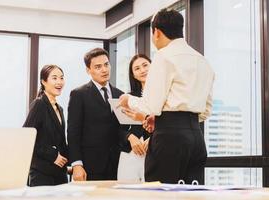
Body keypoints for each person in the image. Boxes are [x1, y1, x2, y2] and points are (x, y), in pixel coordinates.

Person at [119, 9, 215, 184]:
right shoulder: (203, 60)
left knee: (160, 191)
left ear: (156, 32)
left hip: (169, 139)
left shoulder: (164, 56)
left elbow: (151, 105)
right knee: (191, 194)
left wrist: (128, 100)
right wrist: (171, 119)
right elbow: (206, 111)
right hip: (196, 138)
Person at [67, 48, 126, 181]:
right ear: (88, 70)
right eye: (98, 67)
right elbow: (73, 132)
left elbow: (121, 129)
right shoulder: (79, 94)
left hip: (117, 165)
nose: (104, 70)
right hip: (90, 166)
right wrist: (77, 164)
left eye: (106, 64)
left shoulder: (120, 95)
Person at [23, 64, 69, 186]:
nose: (59, 82)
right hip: (41, 172)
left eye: (61, 78)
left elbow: (60, 140)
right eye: (54, 78)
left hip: (59, 173)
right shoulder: (39, 104)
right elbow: (26, 136)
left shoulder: (60, 109)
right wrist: (53, 155)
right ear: (44, 81)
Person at [117, 54, 152, 182]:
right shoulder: (127, 98)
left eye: (145, 65)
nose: (142, 70)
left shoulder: (163, 96)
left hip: (154, 150)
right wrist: (130, 137)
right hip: (130, 153)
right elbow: (117, 129)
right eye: (137, 68)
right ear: (133, 75)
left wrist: (153, 138)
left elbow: (169, 123)